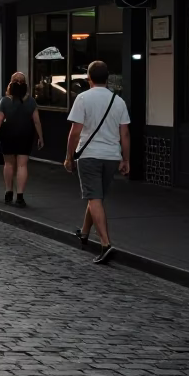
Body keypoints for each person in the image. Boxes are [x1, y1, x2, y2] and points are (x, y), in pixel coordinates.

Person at [65, 60, 130, 265]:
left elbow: (75, 132)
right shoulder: (118, 101)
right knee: (96, 197)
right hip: (111, 156)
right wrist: (126, 159)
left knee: (94, 198)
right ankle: (84, 233)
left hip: (89, 155)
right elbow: (125, 133)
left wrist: (69, 156)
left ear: (89, 78)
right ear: (108, 78)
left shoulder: (83, 98)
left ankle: (105, 243)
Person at [0, 72, 44, 207]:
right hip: (25, 134)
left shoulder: (5, 101)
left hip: (8, 134)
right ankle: (20, 196)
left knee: (8, 164)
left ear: (11, 83)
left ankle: (8, 192)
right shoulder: (30, 101)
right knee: (22, 165)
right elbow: (37, 121)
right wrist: (40, 137)